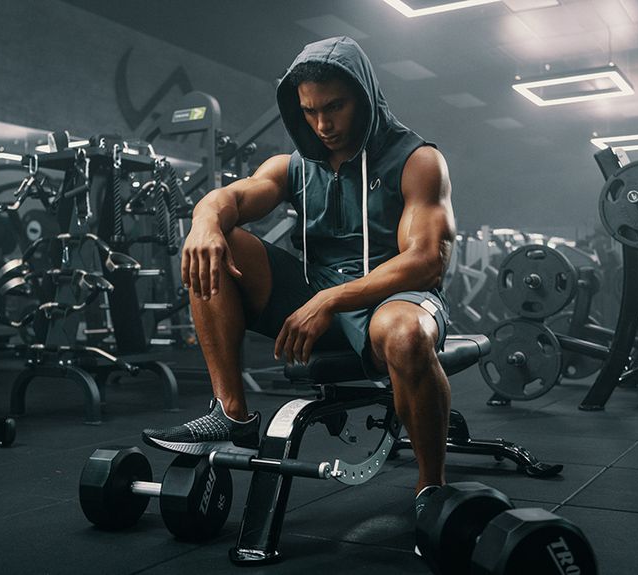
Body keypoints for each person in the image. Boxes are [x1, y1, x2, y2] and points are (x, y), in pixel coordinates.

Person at [142, 36, 456, 518]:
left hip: (395, 297)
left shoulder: (417, 160)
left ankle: (430, 488)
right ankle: (233, 413)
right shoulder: (292, 166)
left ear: (366, 97)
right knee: (215, 244)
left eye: (335, 107)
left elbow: (427, 259)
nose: (323, 124)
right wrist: (204, 224)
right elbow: (231, 198)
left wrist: (330, 299)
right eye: (310, 111)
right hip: (315, 296)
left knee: (406, 334)